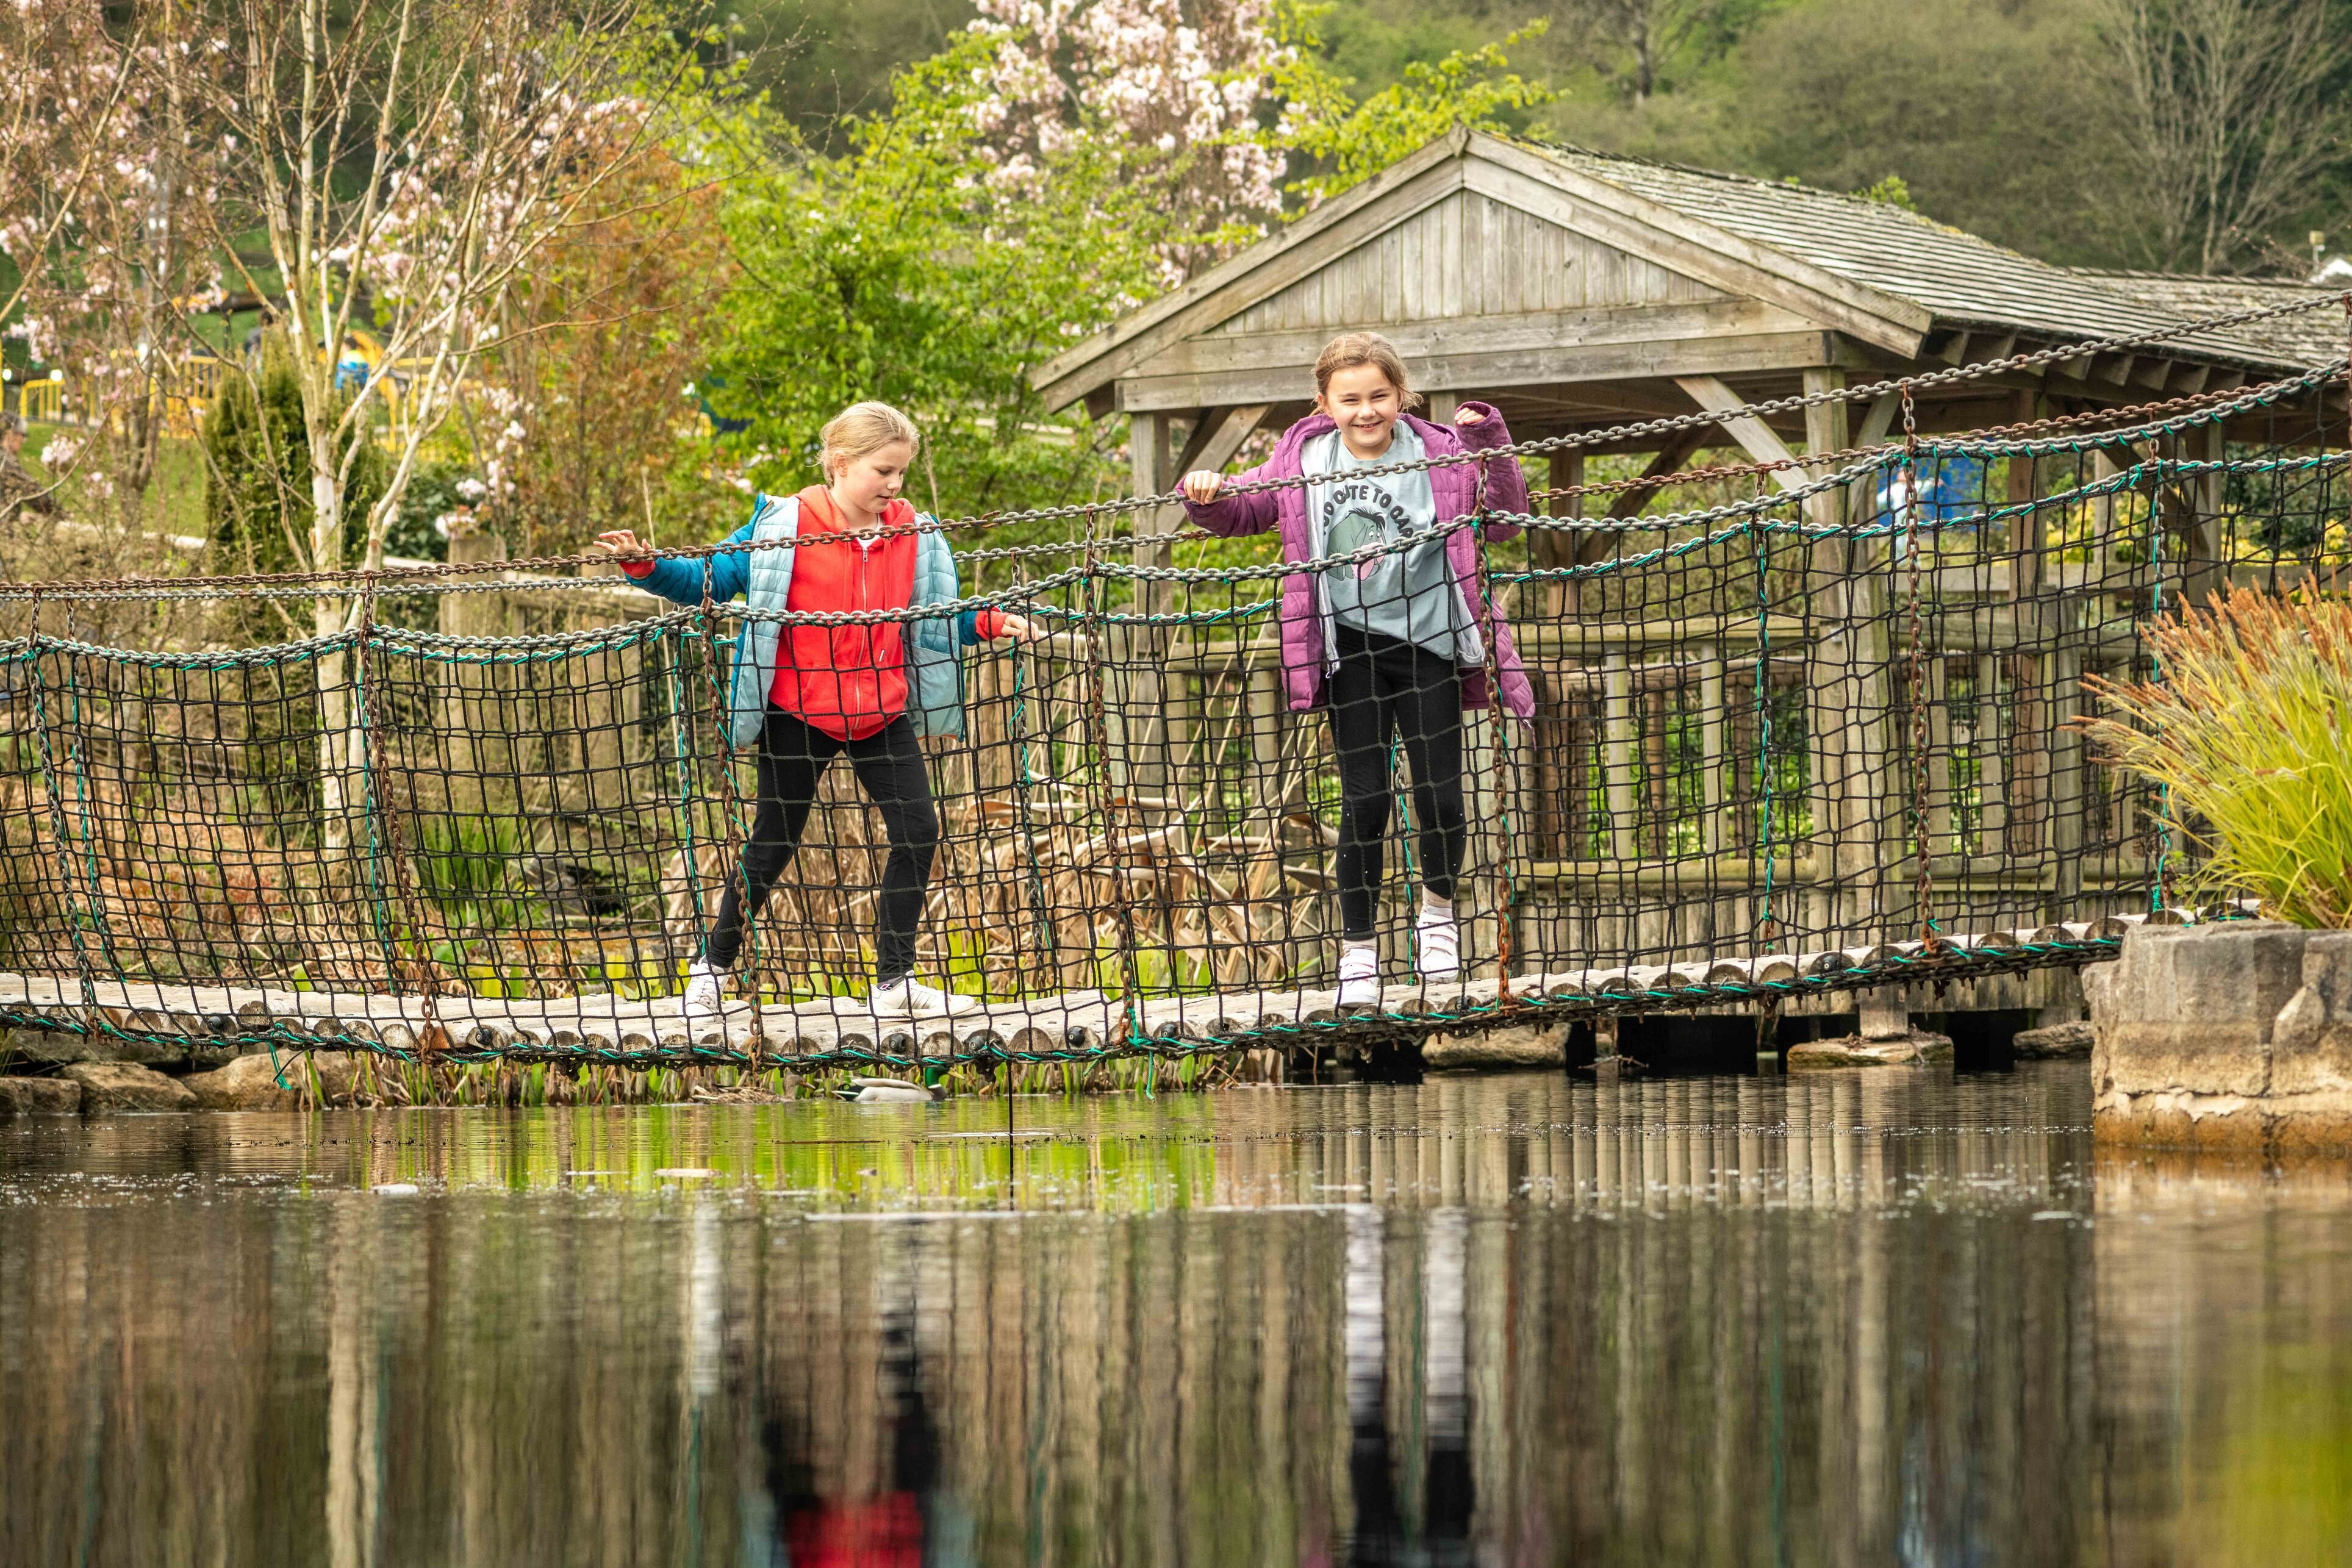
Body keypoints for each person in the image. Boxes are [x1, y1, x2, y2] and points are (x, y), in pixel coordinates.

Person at [595, 401, 1039, 1023]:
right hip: (796, 712)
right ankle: (712, 970)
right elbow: (711, 579)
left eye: (901, 474)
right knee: (773, 843)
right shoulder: (785, 525)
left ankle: (893, 983)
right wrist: (646, 566)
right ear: (840, 464)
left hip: (880, 711)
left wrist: (988, 622)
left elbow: (937, 613)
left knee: (918, 830)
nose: (893, 485)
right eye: (883, 471)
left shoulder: (913, 531)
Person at [1178, 332, 1532, 1007]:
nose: (1365, 411)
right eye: (1350, 399)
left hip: (1429, 642)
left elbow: (1506, 519)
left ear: (1401, 396)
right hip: (1348, 651)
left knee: (1439, 796)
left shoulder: (1441, 454)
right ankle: (1360, 949)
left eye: (1378, 396)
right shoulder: (1304, 459)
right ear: (1324, 403)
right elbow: (1238, 510)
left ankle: (1435, 915)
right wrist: (1203, 493)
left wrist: (1489, 437)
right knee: (1364, 801)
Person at [0, 412, 59, 524]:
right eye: (23, 436)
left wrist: (16, 517)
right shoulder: (5, 462)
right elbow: (36, 496)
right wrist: (61, 514)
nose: (22, 441)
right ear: (11, 436)